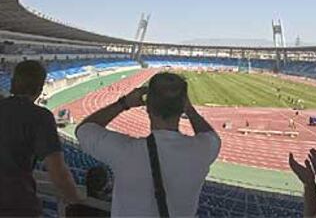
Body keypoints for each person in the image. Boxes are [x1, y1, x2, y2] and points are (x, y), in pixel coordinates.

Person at [76, 72, 221, 217]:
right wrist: (189, 110)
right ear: (183, 104)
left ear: (148, 107)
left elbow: (84, 130)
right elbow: (211, 136)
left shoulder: (123, 151)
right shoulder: (203, 150)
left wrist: (124, 103)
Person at [0, 60, 80, 217]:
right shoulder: (40, 117)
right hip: (16, 205)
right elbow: (57, 172)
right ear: (40, 88)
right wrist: (76, 200)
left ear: (13, 82)